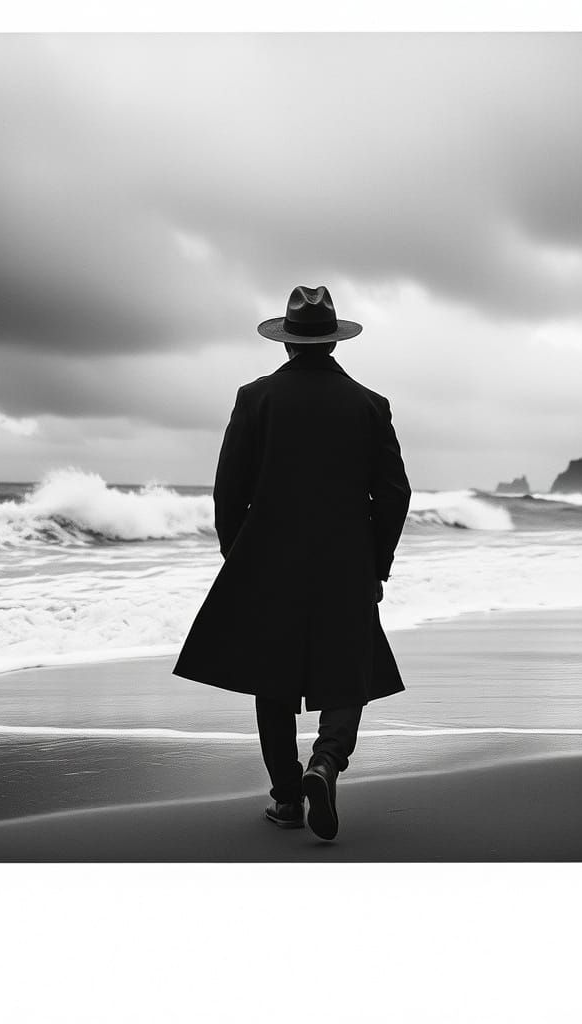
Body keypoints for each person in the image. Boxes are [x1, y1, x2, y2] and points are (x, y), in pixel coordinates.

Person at [172, 284, 412, 841]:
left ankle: (286, 800)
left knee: (271, 676)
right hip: (347, 558)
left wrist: (238, 553)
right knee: (348, 671)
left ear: (286, 342)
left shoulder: (255, 399)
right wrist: (377, 562)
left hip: (269, 557)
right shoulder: (370, 406)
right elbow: (395, 493)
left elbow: (228, 489)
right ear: (333, 343)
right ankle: (325, 763)